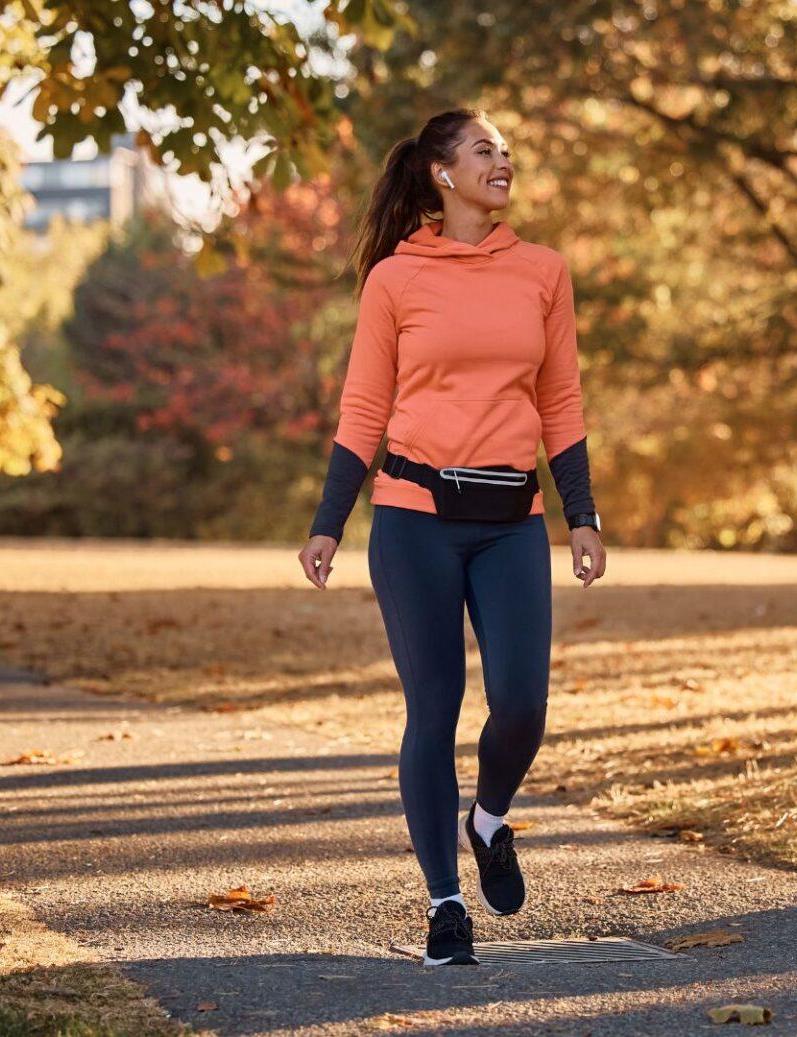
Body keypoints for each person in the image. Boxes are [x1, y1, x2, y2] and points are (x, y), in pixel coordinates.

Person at [298, 107, 607, 966]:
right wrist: (329, 522)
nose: (502, 161)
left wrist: (581, 514)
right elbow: (364, 408)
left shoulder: (543, 273)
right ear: (442, 172)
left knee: (522, 704)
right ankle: (443, 905)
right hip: (413, 520)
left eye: (507, 149)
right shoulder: (395, 280)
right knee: (431, 710)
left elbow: (561, 405)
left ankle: (490, 815)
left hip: (513, 525)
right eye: (484, 150)